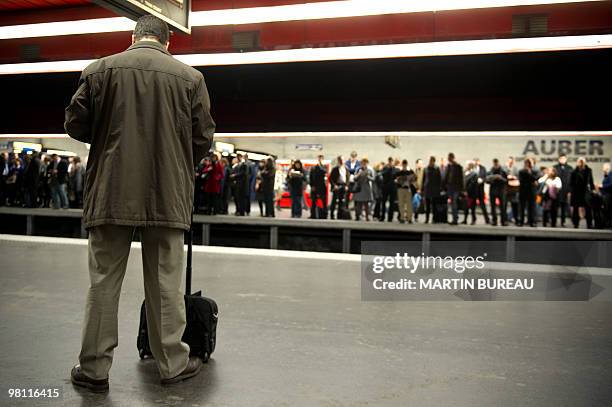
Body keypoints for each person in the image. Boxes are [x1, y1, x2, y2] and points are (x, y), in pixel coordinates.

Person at [64, 15, 215, 390]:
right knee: (165, 282)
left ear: (132, 38)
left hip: (111, 190)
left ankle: (94, 369)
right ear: (168, 43)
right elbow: (203, 138)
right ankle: (172, 364)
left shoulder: (99, 71)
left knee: (103, 282)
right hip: (167, 193)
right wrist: (176, 162)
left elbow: (75, 124)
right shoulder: (190, 78)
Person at [569, 157, 595, 229]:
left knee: (588, 208)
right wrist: (570, 191)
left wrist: (593, 190)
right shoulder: (574, 171)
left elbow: (591, 181)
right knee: (575, 208)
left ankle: (589, 224)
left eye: (582, 161)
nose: (581, 163)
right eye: (579, 161)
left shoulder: (588, 170)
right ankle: (576, 223)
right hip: (576, 192)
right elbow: (571, 183)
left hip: (585, 192)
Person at [444, 153, 464, 225]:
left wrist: (462, 189)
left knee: (454, 203)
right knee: (452, 203)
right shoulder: (449, 166)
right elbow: (446, 177)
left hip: (456, 188)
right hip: (450, 187)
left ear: (452, 157)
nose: (448, 159)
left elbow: (461, 178)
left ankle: (455, 219)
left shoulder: (458, 166)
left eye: (449, 157)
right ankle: (454, 218)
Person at [486, 158, 507, 226]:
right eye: (494, 164)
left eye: (496, 163)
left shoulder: (503, 170)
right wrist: (492, 178)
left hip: (501, 190)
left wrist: (500, 178)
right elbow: (487, 180)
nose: (495, 165)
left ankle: (503, 221)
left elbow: (506, 181)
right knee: (493, 207)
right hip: (493, 190)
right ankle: (494, 220)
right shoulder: (491, 170)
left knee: (502, 207)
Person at [553, 154, 573, 227]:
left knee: (564, 207)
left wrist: (570, 191)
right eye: (561, 158)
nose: (562, 160)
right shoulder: (555, 167)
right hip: (556, 191)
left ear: (566, 159)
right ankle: (553, 221)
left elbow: (571, 181)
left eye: (564, 159)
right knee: (555, 207)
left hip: (565, 191)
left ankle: (563, 222)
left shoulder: (570, 168)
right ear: (559, 159)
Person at [518, 159, 539, 227]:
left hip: (531, 191)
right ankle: (521, 221)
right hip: (523, 191)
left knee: (532, 207)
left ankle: (532, 222)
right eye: (526, 163)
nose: (527, 165)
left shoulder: (534, 171)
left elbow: (535, 179)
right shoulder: (521, 171)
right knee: (522, 207)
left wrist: (530, 173)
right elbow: (520, 180)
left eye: (528, 163)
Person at [422, 156, 442, 224]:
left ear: (434, 161)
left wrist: (439, 189)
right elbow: (424, 179)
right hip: (427, 188)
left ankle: (434, 219)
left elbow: (439, 179)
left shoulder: (437, 168)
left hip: (434, 189)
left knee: (434, 205)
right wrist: (422, 189)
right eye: (430, 160)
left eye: (432, 161)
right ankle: (427, 219)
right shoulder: (426, 168)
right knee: (427, 205)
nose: (430, 162)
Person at [395, 159, 415, 224]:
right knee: (401, 204)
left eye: (405, 164)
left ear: (407, 164)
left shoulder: (410, 171)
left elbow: (414, 179)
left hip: (408, 188)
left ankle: (409, 218)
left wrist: (411, 179)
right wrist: (399, 180)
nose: (404, 165)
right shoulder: (399, 172)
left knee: (409, 204)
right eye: (403, 164)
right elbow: (395, 179)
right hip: (400, 188)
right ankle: (402, 218)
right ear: (402, 164)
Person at [309, 154, 328, 219]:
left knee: (323, 201)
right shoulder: (313, 168)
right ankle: (313, 214)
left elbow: (325, 173)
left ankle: (324, 214)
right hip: (315, 186)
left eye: (321, 159)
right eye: (319, 158)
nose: (320, 160)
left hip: (322, 187)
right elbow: (311, 178)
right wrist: (312, 186)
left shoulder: (324, 167)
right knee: (314, 201)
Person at [380, 156, 398, 222]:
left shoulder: (395, 169)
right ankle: (382, 217)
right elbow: (383, 174)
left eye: (391, 161)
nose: (390, 162)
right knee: (383, 202)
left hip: (392, 188)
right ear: (388, 161)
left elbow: (396, 176)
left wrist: (392, 168)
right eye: (389, 161)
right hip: (385, 187)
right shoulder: (385, 168)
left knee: (392, 203)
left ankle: (390, 218)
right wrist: (389, 168)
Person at [473, 158, 490, 224]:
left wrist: (482, 180)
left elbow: (485, 177)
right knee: (473, 206)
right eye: (475, 161)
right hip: (474, 190)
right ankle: (473, 219)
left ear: (479, 162)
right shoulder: (472, 168)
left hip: (480, 189)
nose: (476, 162)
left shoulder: (483, 168)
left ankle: (487, 219)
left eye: (477, 161)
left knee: (483, 205)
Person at [503, 156, 520, 225]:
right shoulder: (504, 168)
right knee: (504, 205)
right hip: (506, 189)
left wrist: (514, 177)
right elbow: (502, 176)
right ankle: (505, 220)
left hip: (513, 189)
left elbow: (518, 176)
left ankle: (516, 219)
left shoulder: (515, 168)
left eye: (512, 162)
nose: (510, 163)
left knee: (515, 205)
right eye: (509, 161)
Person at [600, 163, 612, 228]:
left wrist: (602, 186)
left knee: (607, 210)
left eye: (603, 167)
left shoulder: (610, 175)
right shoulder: (606, 175)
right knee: (606, 210)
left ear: (607, 168)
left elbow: (611, 184)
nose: (602, 169)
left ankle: (608, 224)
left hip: (608, 195)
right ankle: (607, 224)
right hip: (606, 195)